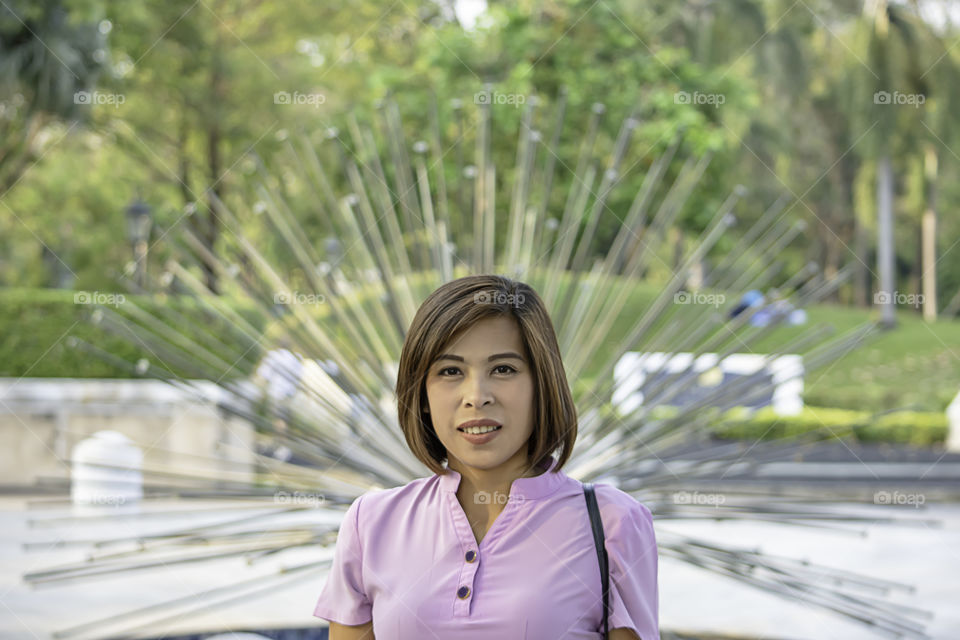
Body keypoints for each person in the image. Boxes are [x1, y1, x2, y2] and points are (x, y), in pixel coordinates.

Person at [312, 274, 659, 640]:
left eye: (503, 369)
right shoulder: (371, 522)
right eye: (450, 371)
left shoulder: (612, 524)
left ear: (542, 385)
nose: (476, 396)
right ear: (422, 396)